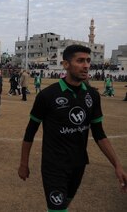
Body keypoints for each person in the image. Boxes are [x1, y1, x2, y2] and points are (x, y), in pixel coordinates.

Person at [18, 45, 127, 212]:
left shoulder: (92, 95)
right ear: (66, 64)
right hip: (54, 166)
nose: (86, 65)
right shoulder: (47, 95)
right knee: (58, 210)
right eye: (80, 60)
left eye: (88, 61)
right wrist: (23, 164)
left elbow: (99, 134)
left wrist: (117, 165)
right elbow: (30, 132)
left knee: (64, 205)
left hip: (79, 164)